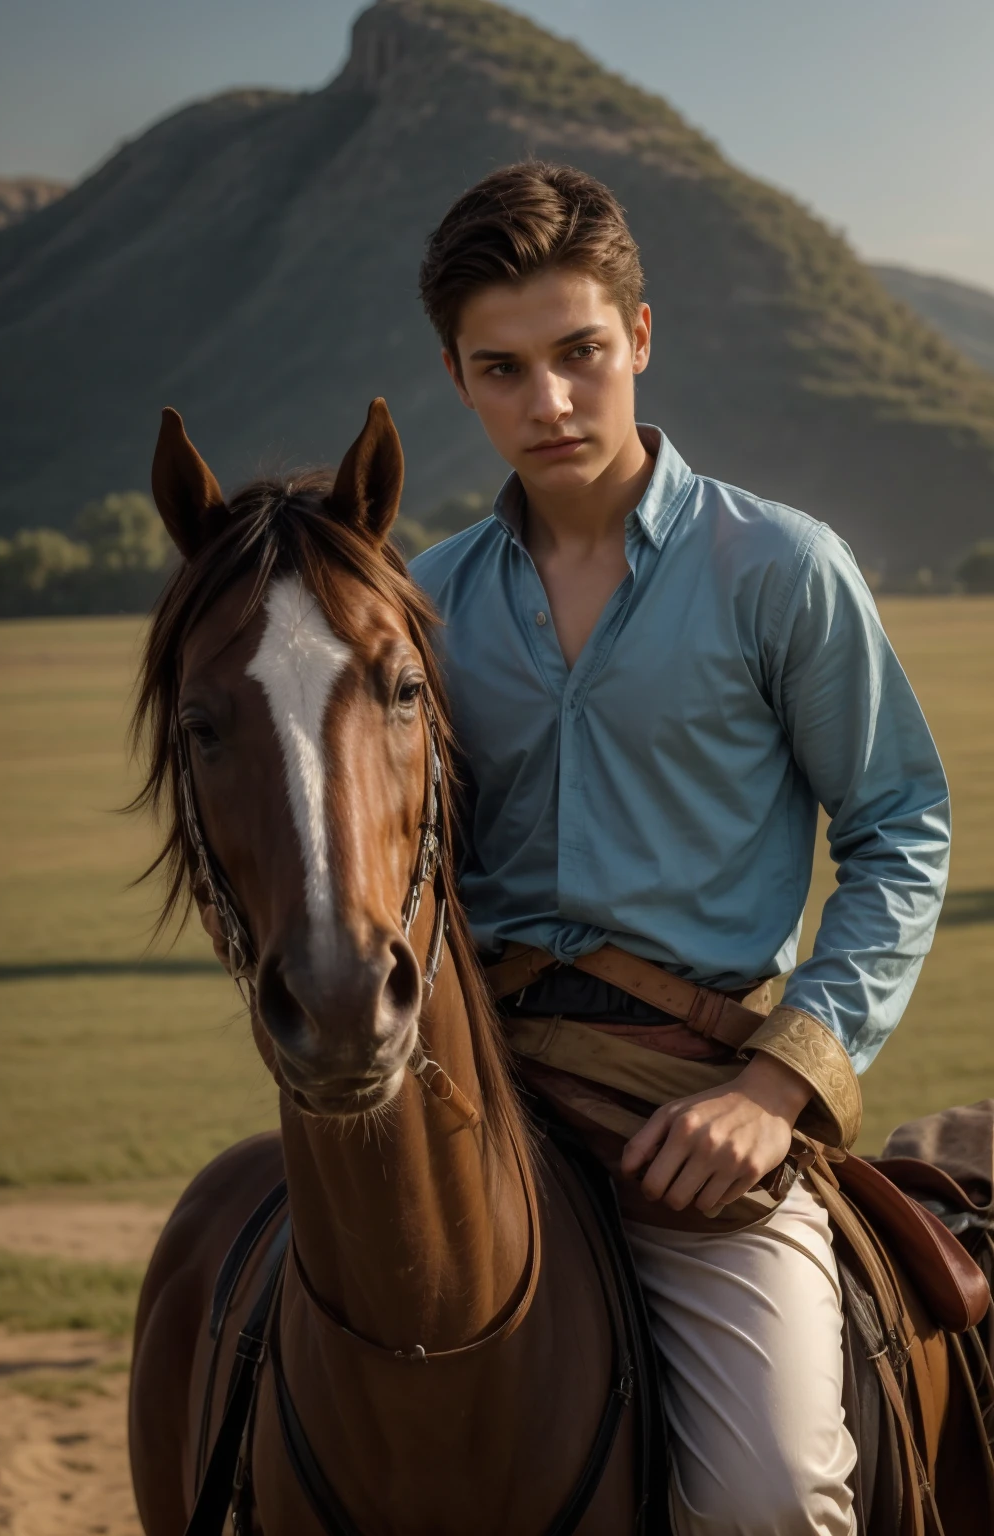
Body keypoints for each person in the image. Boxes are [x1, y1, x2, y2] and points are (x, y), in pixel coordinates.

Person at [409, 161, 950, 1536]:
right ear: (460, 380)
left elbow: (899, 828)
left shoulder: (780, 569)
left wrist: (778, 1089)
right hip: (468, 1100)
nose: (550, 401)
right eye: (504, 368)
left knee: (771, 1499)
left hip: (692, 1113)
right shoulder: (423, 609)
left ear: (639, 339)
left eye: (580, 353)